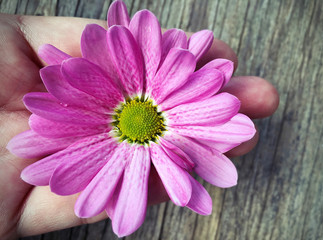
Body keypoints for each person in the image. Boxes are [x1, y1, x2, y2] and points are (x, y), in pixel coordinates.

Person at [0, 13, 279, 239]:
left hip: (172, 100)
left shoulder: (164, 121)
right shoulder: (96, 120)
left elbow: (201, 78)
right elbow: (62, 90)